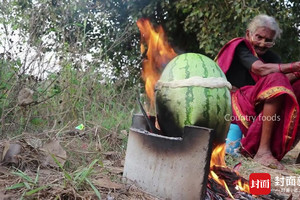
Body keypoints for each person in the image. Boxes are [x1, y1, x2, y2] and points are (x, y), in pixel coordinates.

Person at [215, 14, 300, 170]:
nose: (262, 43)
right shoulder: (241, 47)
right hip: (233, 101)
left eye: (268, 40)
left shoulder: (273, 58)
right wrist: (294, 66)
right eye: (259, 37)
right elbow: (259, 69)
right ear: (248, 34)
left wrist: (297, 73)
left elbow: (285, 82)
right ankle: (262, 151)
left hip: (258, 103)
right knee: (276, 77)